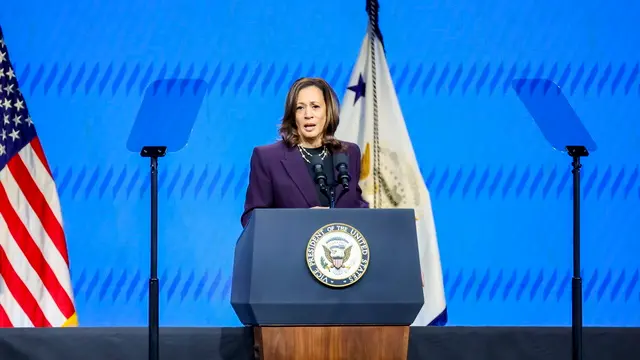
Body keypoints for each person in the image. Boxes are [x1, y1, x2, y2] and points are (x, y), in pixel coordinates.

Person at [241, 77, 369, 227]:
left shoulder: (349, 153)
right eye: (300, 108)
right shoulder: (268, 158)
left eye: (315, 106)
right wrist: (302, 219)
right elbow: (252, 218)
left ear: (328, 111)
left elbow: (357, 206)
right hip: (290, 248)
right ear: (293, 115)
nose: (308, 114)